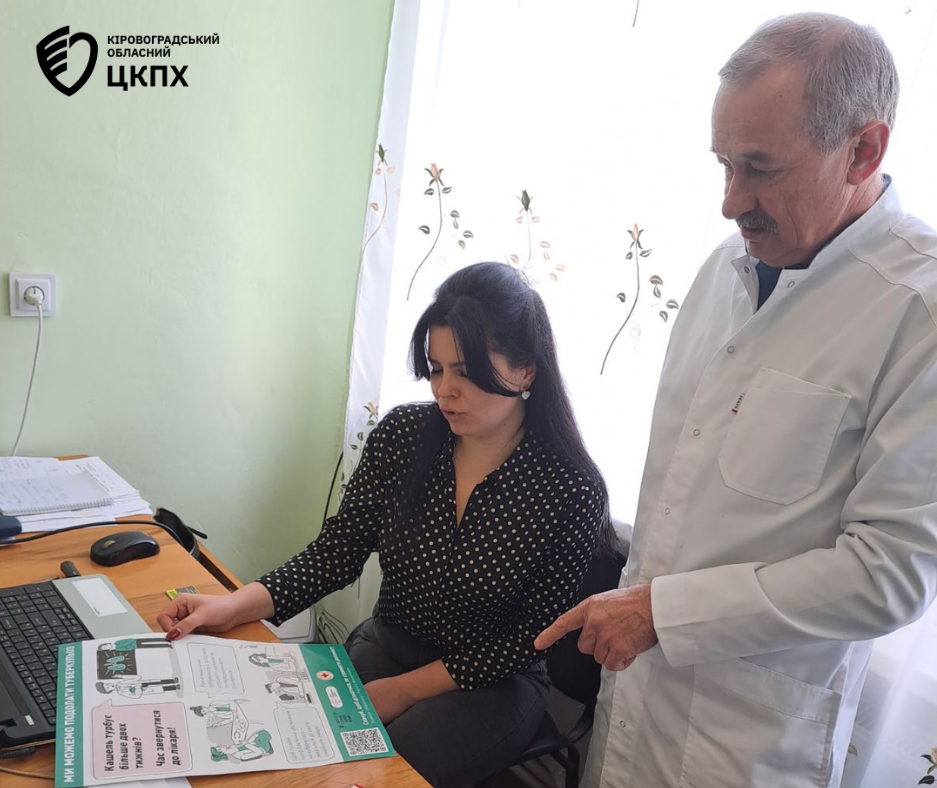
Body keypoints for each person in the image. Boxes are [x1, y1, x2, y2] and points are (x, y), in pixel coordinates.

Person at [535, 13, 937, 788]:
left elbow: (889, 575)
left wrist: (663, 613)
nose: (730, 201)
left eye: (760, 167)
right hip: (637, 699)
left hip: (746, 741)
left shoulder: (918, 312)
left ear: (864, 150)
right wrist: (645, 611)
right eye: (724, 164)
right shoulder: (726, 266)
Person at [157, 262, 611, 788]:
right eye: (436, 369)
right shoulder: (405, 436)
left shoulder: (570, 487)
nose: (444, 391)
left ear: (526, 370)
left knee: (368, 774)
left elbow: (530, 638)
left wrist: (404, 691)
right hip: (388, 647)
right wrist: (230, 604)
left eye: (465, 372)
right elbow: (337, 551)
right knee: (276, 744)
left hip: (491, 681)